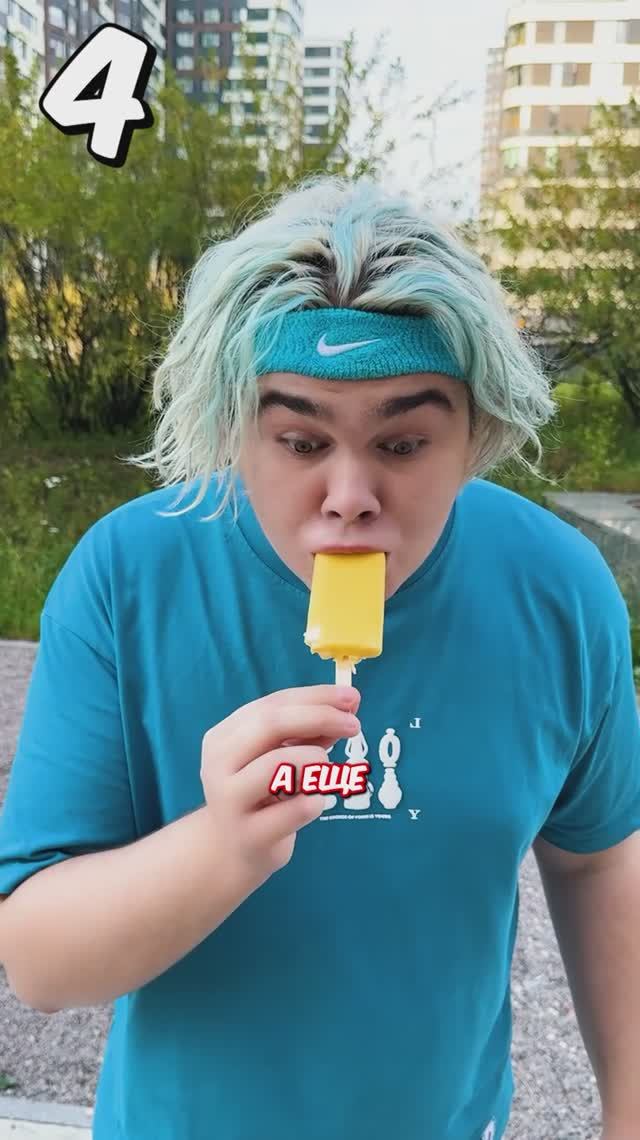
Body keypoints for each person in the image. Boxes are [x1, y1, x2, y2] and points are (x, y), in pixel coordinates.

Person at [0, 174, 639, 1140]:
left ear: (476, 434)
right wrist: (221, 848)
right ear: (236, 428)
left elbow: (596, 862)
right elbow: (40, 963)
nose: (349, 496)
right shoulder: (127, 577)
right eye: (301, 441)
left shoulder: (558, 588)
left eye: (404, 443)